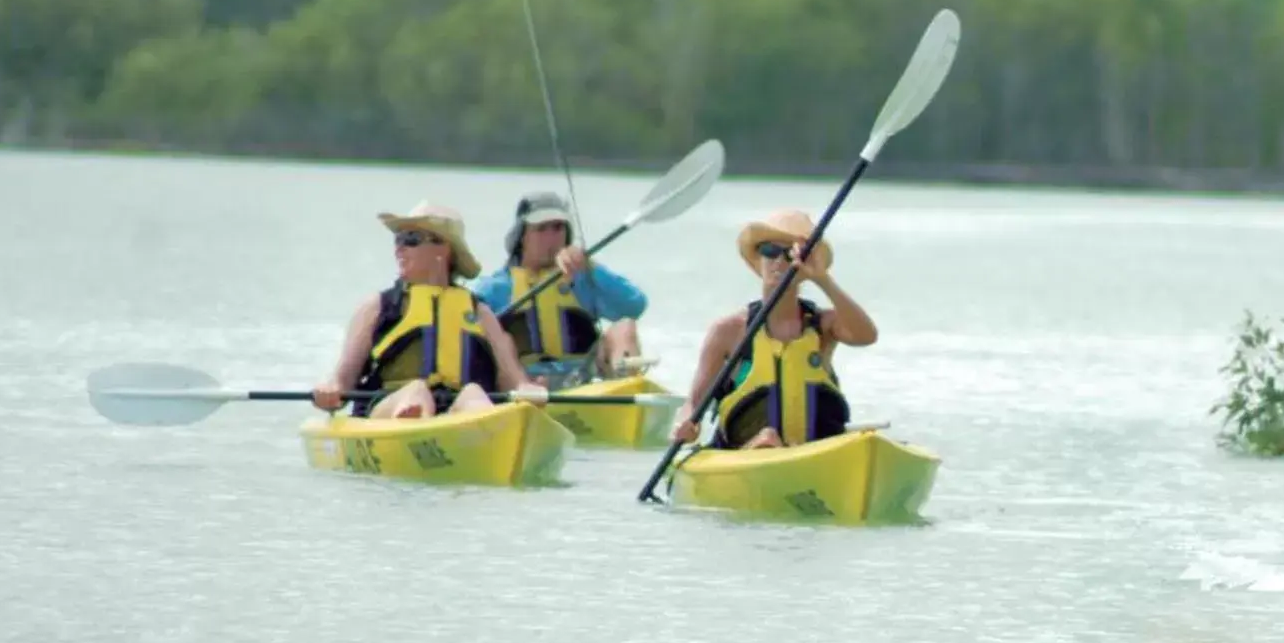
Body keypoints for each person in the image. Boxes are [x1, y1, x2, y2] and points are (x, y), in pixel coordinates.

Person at [311, 200, 547, 420]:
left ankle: (477, 430)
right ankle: (414, 424)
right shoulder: (377, 306)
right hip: (387, 408)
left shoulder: (480, 312)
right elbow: (343, 380)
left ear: (443, 248)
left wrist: (526, 389)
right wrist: (331, 390)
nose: (399, 249)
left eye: (411, 239)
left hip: (457, 416)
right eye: (398, 240)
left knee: (474, 394)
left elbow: (513, 380)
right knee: (416, 390)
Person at [669, 209, 879, 450]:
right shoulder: (728, 330)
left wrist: (822, 279)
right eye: (769, 251)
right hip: (745, 453)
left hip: (813, 453)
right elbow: (693, 404)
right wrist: (685, 424)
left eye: (790, 254)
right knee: (767, 438)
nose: (779, 261)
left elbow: (867, 336)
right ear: (758, 259)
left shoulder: (824, 325)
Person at [467, 189, 651, 389]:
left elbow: (634, 306)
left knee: (624, 327)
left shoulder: (583, 280)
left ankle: (624, 388)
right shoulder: (496, 288)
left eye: (558, 228)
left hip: (581, 379)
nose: (551, 237)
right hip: (527, 385)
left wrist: (591, 266)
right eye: (542, 228)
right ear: (522, 236)